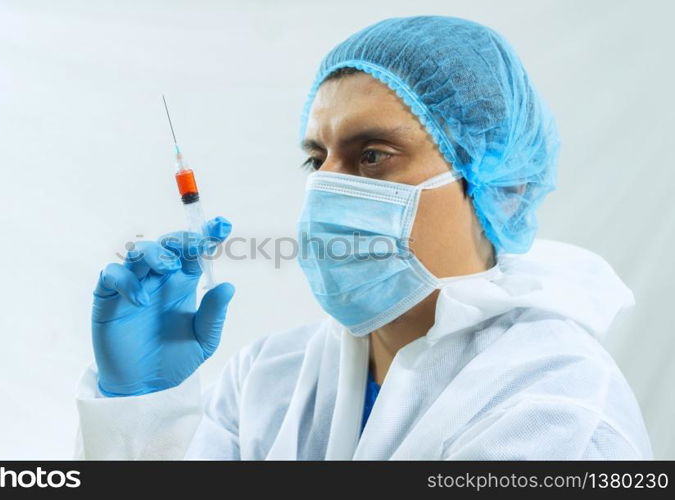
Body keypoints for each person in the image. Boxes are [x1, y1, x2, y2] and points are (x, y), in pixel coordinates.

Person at [74, 16, 652, 460]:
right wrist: (139, 411)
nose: (324, 189)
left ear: (503, 188)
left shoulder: (555, 407)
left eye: (371, 156)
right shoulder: (268, 378)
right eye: (316, 160)